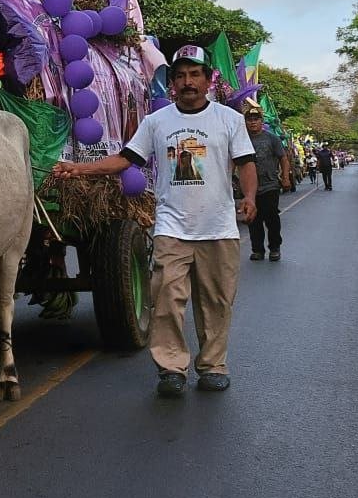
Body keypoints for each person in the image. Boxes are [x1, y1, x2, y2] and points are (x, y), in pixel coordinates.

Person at [53, 45, 257, 397]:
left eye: (195, 74)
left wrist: (250, 197)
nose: (187, 81)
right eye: (180, 76)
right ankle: (171, 368)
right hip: (171, 229)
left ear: (208, 80)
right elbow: (125, 159)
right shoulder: (156, 122)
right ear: (173, 83)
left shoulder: (229, 119)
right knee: (164, 301)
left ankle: (212, 365)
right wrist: (80, 168)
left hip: (219, 229)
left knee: (216, 303)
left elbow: (246, 163)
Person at [243, 106, 290, 262]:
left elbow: (283, 158)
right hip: (250, 188)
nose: (252, 123)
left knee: (271, 218)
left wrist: (285, 177)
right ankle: (257, 250)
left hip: (270, 185)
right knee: (253, 219)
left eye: (255, 119)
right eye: (249, 120)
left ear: (261, 121)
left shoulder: (272, 138)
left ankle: (275, 248)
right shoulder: (242, 139)